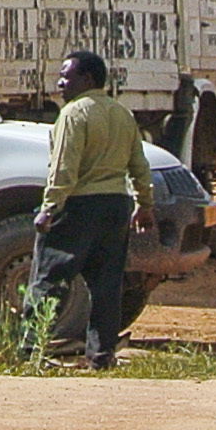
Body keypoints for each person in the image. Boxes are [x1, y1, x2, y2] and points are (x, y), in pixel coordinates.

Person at [32, 49, 153, 369]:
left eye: (66, 76)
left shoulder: (74, 114)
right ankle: (101, 356)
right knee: (106, 287)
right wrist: (144, 205)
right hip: (115, 206)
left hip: (79, 206)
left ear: (86, 79)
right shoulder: (121, 114)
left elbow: (64, 169)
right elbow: (139, 165)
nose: (60, 82)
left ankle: (31, 350)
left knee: (50, 281)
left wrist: (49, 208)